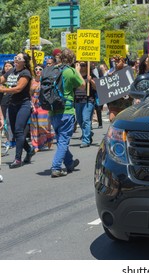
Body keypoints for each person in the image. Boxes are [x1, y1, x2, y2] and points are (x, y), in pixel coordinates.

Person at [49, 48, 85, 177]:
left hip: (53, 110)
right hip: (66, 109)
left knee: (60, 139)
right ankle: (56, 167)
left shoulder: (53, 70)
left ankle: (69, 163)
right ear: (72, 60)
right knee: (64, 140)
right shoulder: (70, 71)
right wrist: (78, 71)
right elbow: (82, 85)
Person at [0, 53, 35, 168]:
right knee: (15, 132)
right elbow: (2, 79)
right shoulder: (12, 71)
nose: (16, 60)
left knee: (19, 130)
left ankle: (17, 159)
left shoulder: (25, 73)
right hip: (12, 104)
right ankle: (29, 150)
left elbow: (19, 88)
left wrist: (3, 89)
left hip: (24, 105)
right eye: (15, 58)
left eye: (19, 58)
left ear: (24, 62)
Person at [29, 64, 54, 152]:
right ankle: (36, 145)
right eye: (36, 69)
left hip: (43, 105)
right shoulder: (31, 81)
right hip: (33, 105)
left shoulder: (46, 81)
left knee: (42, 125)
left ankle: (48, 139)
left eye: (40, 69)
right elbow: (29, 95)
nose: (38, 70)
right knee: (34, 126)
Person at [74, 61, 97, 148]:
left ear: (87, 67)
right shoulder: (75, 76)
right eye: (80, 65)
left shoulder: (91, 76)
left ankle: (86, 140)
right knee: (80, 121)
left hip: (88, 100)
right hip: (77, 100)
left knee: (86, 120)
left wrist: (90, 80)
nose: (81, 67)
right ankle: (88, 133)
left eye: (83, 65)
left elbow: (97, 87)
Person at [106, 55, 133, 122]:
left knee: (124, 120)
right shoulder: (111, 72)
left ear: (123, 61)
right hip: (114, 101)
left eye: (118, 61)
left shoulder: (128, 70)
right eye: (115, 62)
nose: (116, 63)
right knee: (112, 119)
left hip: (126, 102)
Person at [0, 60, 15, 149]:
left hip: (12, 103)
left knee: (10, 123)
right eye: (6, 66)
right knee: (4, 122)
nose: (7, 68)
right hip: (3, 103)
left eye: (9, 66)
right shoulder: (1, 79)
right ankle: (7, 139)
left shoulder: (16, 78)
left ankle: (11, 140)